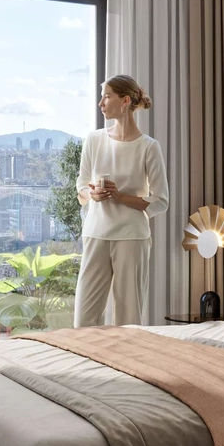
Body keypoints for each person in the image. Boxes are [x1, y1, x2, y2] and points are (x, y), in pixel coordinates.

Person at [73, 74, 168, 326]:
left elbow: (160, 200)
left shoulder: (149, 147)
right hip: (96, 233)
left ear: (125, 101)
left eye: (106, 96)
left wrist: (120, 197)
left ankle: (124, 364)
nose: (100, 103)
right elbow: (81, 186)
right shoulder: (93, 140)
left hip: (132, 237)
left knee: (128, 318)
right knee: (83, 319)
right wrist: (91, 194)